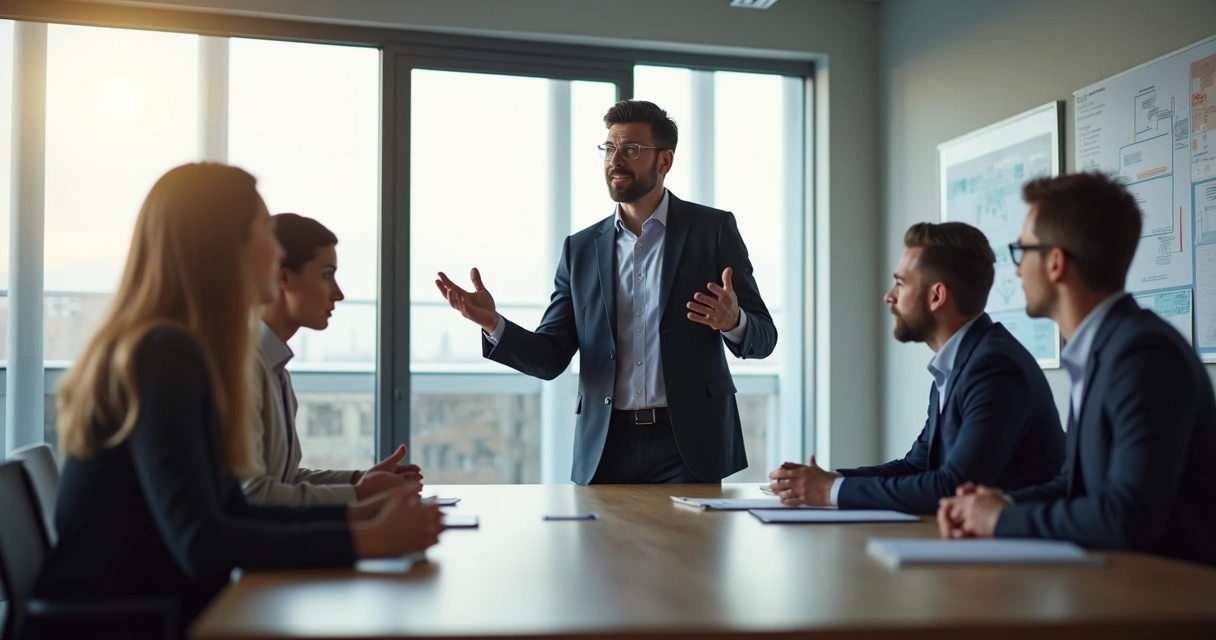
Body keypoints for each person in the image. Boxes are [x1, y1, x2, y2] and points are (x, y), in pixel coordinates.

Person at [33, 163, 444, 631]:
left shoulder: (179, 350)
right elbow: (202, 541)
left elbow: (235, 510)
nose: (276, 251)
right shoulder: (163, 356)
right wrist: (365, 539)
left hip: (153, 612)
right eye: (264, 233)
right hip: (131, 624)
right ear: (221, 248)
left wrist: (361, 515)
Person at [435, 100, 778, 484]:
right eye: (610, 148)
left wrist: (735, 322)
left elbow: (764, 338)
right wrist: (494, 324)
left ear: (664, 161)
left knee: (690, 547)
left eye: (631, 149)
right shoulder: (579, 250)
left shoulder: (711, 231)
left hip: (689, 445)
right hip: (607, 445)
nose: (616, 160)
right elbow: (550, 358)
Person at [939, 172, 1216, 566]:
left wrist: (1001, 519)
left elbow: (1126, 517)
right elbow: (1076, 485)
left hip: (1172, 601)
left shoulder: (1143, 355)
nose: (1016, 270)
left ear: (1055, 263)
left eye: (1023, 251)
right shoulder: (1105, 348)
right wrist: (999, 503)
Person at [768, 222, 1064, 513]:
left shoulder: (994, 367)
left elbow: (954, 487)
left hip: (1019, 553)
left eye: (900, 283)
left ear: (936, 296)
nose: (889, 296)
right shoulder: (960, 361)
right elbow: (916, 466)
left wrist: (829, 491)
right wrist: (826, 481)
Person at [243, 213, 422, 505]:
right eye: (327, 275)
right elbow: (256, 495)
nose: (338, 294)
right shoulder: (246, 367)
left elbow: (285, 480)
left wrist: (359, 480)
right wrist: (358, 494)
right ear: (284, 277)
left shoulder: (276, 368)